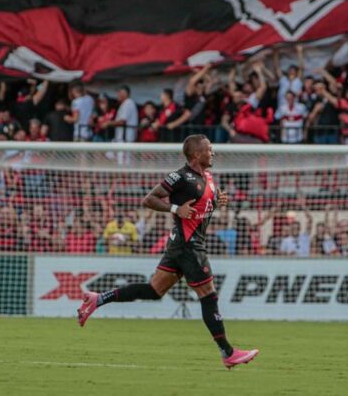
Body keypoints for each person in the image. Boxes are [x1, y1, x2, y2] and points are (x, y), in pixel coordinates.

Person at [77, 135, 258, 369]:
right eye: (208, 149)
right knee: (208, 294)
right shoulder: (180, 176)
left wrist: (218, 200)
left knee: (155, 290)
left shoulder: (209, 177)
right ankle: (228, 352)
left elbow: (204, 202)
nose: (212, 152)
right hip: (188, 245)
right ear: (195, 155)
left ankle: (97, 299)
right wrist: (175, 208)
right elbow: (149, 199)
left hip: (182, 245)